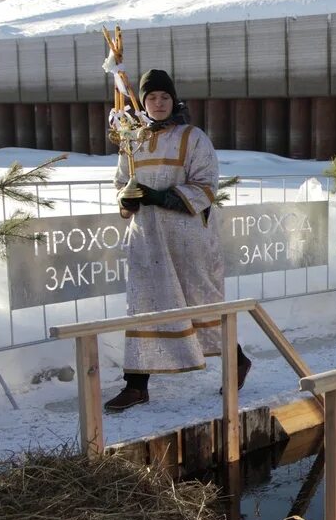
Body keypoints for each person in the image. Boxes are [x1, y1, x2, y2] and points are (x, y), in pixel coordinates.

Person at [104, 69, 251, 412]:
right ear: (142, 102)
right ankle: (136, 385)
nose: (158, 103)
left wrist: (160, 196)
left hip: (187, 238)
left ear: (174, 100)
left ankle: (237, 360)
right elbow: (121, 182)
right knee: (143, 305)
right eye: (151, 98)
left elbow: (206, 186)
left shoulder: (193, 137)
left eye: (164, 97)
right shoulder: (132, 140)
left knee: (201, 304)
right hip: (147, 239)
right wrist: (126, 201)